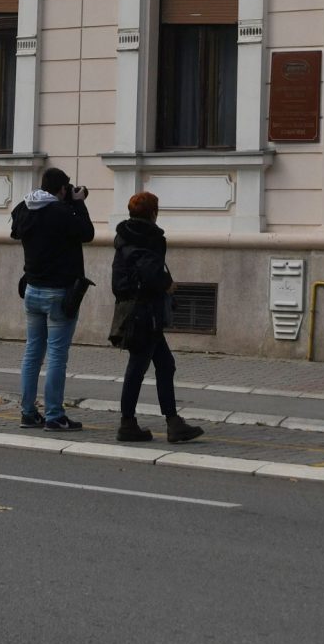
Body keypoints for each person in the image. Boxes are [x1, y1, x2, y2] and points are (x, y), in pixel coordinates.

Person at [110, 191, 203, 445]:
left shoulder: (123, 237)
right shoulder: (151, 238)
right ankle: (130, 423)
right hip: (146, 313)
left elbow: (120, 278)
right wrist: (167, 284)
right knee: (138, 368)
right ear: (153, 213)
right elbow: (151, 271)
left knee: (164, 364)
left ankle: (172, 423)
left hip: (133, 310)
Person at [10, 166, 94, 431]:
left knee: (32, 352)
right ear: (62, 189)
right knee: (57, 355)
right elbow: (87, 233)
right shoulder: (61, 212)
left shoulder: (24, 208)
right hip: (58, 292)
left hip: (32, 289)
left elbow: (16, 231)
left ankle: (28, 412)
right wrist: (79, 203)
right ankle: (55, 415)